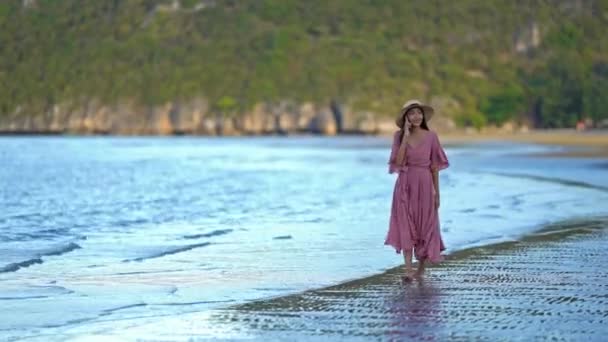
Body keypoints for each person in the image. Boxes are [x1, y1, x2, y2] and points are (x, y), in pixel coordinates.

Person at [385, 99, 449, 282]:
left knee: (425, 225)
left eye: (418, 112)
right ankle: (407, 269)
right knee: (405, 223)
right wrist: (405, 136)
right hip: (405, 184)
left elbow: (435, 167)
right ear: (406, 117)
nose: (416, 116)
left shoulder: (431, 136)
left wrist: (437, 192)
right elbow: (397, 162)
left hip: (425, 184)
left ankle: (420, 268)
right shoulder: (398, 136)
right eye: (411, 113)